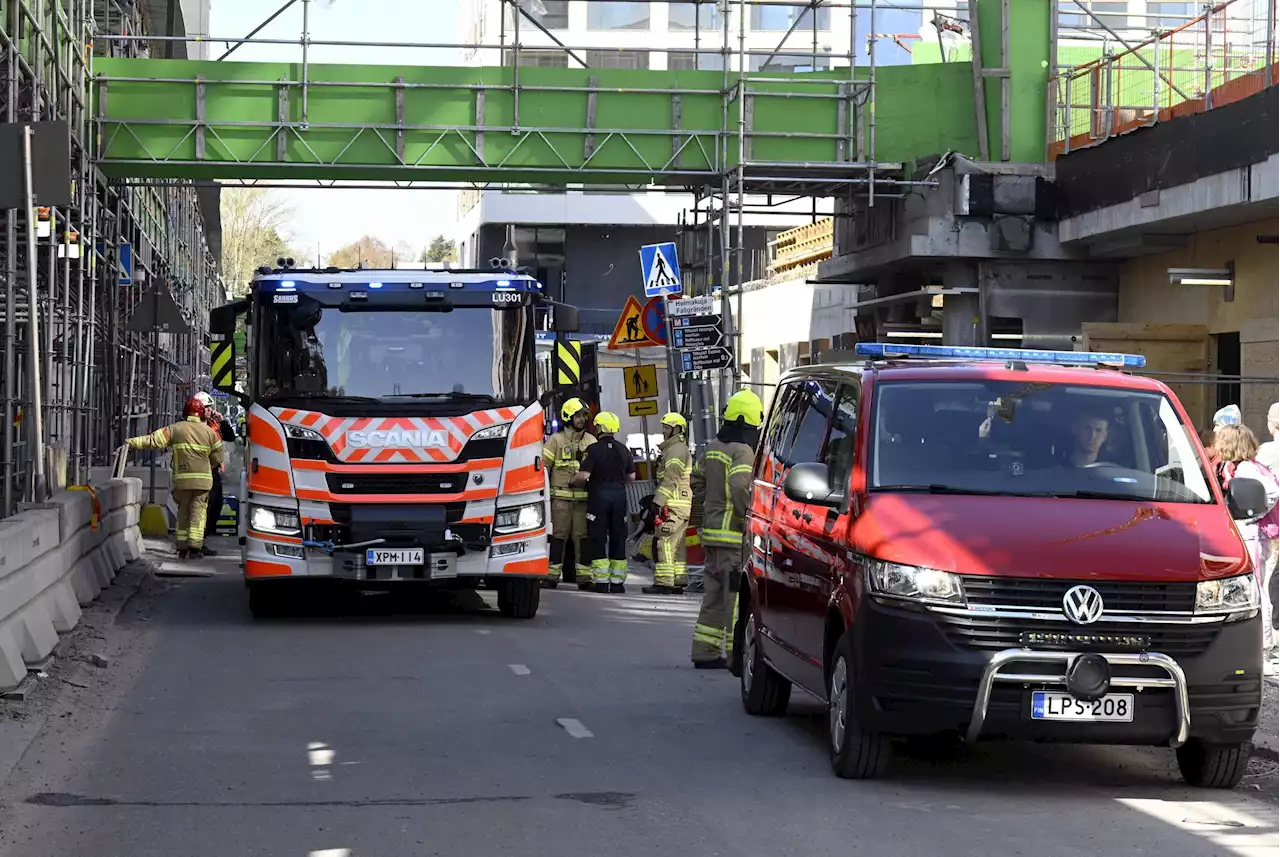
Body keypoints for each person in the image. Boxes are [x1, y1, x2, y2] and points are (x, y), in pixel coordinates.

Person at [690, 389, 762, 670]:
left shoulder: (713, 448)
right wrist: (747, 516)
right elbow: (741, 487)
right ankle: (735, 657)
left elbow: (696, 481)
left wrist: (711, 505)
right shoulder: (743, 450)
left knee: (713, 594)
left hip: (712, 536)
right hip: (733, 537)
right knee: (735, 600)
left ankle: (704, 651)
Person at [1215, 423, 1280, 673]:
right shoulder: (1244, 467)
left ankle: (1262, 651)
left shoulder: (1246, 470)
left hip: (1253, 536)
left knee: (1257, 590)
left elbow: (1272, 492)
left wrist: (1251, 516)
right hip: (1254, 535)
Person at [127, 396, 224, 560]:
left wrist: (130, 442)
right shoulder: (210, 432)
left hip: (182, 480)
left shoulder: (175, 429)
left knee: (183, 512)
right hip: (203, 481)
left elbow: (152, 440)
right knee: (198, 513)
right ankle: (195, 547)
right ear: (200, 413)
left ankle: (182, 547)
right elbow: (217, 458)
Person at [575, 411, 634, 593]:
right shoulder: (624, 449)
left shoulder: (592, 450)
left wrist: (572, 480)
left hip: (599, 498)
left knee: (598, 538)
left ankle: (601, 583)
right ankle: (617, 584)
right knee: (618, 538)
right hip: (619, 497)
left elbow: (584, 476)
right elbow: (631, 476)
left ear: (600, 427)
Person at [544, 397, 596, 589]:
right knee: (558, 537)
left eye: (583, 416)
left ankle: (585, 578)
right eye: (577, 416)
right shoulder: (555, 441)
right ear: (568, 417)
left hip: (583, 502)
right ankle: (551, 576)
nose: (581, 419)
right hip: (560, 502)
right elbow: (543, 469)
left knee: (582, 539)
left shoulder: (591, 441)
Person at [643, 412, 692, 595]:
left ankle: (664, 582)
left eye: (667, 427)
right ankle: (678, 579)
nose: (664, 431)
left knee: (664, 541)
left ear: (677, 429)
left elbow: (670, 480)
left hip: (673, 503)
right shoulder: (675, 449)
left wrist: (657, 503)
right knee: (677, 545)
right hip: (679, 503)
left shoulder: (676, 450)